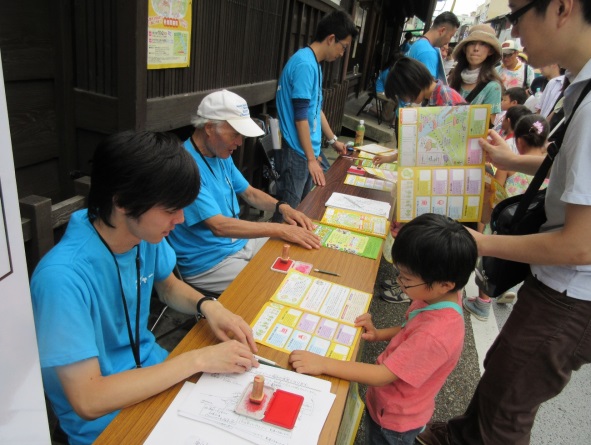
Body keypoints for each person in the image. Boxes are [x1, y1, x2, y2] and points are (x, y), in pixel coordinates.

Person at [417, 1, 591, 443]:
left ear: (562, 8)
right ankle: (456, 437)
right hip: (556, 284)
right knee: (502, 371)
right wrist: (509, 159)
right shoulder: (581, 88)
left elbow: (580, 245)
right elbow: (571, 174)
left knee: (508, 406)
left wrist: (481, 243)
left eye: (516, 13)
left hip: (571, 291)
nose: (511, 28)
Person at [30, 131, 259, 445]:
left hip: (157, 377)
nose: (180, 219)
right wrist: (197, 360)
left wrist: (210, 306)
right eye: (170, 209)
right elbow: (88, 400)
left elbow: (167, 286)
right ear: (123, 202)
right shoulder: (61, 279)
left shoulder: (141, 234)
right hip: (108, 424)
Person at [290, 213, 477, 445]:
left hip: (395, 420)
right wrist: (379, 334)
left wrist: (323, 363)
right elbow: (409, 327)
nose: (399, 282)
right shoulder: (439, 298)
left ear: (444, 285)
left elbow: (382, 376)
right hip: (388, 404)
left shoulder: (435, 334)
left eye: (406, 280)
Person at [167, 90, 321, 295]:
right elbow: (219, 226)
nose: (240, 143)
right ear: (210, 128)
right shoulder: (185, 166)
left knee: (300, 250)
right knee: (278, 284)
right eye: (235, 134)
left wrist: (282, 208)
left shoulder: (220, 154)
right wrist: (279, 228)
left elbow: (249, 193)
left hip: (237, 244)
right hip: (209, 262)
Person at [465, 115, 550, 319]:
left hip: (504, 226)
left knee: (490, 262)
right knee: (513, 262)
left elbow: (493, 197)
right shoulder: (551, 168)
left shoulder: (509, 167)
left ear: (519, 142)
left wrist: (481, 224)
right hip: (530, 231)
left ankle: (483, 303)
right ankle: (502, 290)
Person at [276, 10, 358, 209]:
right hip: (296, 153)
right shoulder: (305, 64)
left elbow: (316, 110)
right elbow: (301, 117)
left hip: (305, 152)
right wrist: (312, 160)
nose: (342, 53)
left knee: (305, 207)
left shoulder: (314, 63)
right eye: (343, 47)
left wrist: (333, 141)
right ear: (331, 39)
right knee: (290, 212)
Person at [372, 56, 466, 168]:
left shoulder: (445, 99)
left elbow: (453, 146)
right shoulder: (431, 99)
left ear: (411, 83)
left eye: (402, 94)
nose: (405, 100)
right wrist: (392, 158)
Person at [448, 24, 503, 126]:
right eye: (472, 43)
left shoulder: (492, 87)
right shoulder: (452, 78)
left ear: (490, 51)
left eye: (483, 44)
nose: (476, 48)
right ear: (465, 48)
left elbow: (486, 126)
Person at [407, 12, 460, 83]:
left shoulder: (418, 44)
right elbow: (428, 90)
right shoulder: (429, 53)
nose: (448, 41)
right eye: (450, 36)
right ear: (442, 31)